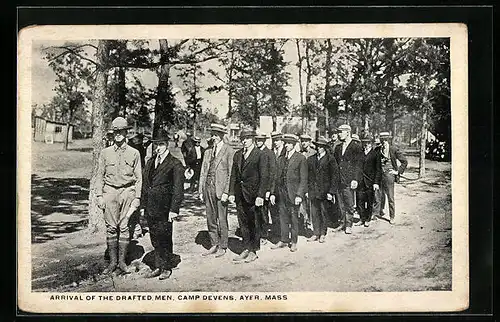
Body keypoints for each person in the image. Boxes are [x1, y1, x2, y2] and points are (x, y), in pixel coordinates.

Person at [96, 117, 142, 275]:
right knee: (110, 228)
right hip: (109, 192)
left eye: (121, 131)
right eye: (115, 131)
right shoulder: (105, 153)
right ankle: (113, 262)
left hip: (127, 193)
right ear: (112, 133)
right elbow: (99, 176)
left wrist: (137, 197)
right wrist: (99, 196)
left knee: (124, 227)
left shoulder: (134, 153)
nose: (118, 134)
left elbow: (139, 178)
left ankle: (122, 262)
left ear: (126, 133)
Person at [141, 129, 185, 280]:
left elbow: (178, 189)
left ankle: (166, 267)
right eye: (155, 145)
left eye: (160, 144)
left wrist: (174, 209)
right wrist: (143, 205)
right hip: (151, 207)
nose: (157, 148)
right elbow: (145, 185)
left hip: (165, 208)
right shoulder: (150, 162)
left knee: (165, 236)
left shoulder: (175, 164)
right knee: (154, 237)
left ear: (167, 145)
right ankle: (158, 265)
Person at [229, 128, 268, 263]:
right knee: (243, 222)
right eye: (242, 139)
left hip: (253, 195)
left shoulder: (260, 154)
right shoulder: (238, 154)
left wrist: (260, 195)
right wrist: (231, 193)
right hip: (240, 194)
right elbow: (233, 175)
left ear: (252, 139)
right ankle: (246, 247)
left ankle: (254, 250)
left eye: (247, 138)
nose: (244, 141)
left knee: (254, 223)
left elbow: (264, 177)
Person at [198, 123, 234, 258]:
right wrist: (201, 190)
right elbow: (203, 171)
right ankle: (214, 243)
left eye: (216, 135)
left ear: (221, 136)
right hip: (208, 187)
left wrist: (227, 192)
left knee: (222, 218)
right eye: (212, 135)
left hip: (221, 190)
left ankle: (223, 245)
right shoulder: (207, 151)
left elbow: (231, 173)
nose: (214, 137)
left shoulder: (229, 151)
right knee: (210, 217)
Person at [270, 134, 308, 252]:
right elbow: (275, 178)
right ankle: (284, 239)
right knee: (282, 217)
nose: (286, 145)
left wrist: (299, 195)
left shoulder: (300, 158)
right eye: (285, 143)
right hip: (282, 193)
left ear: (294, 144)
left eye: (289, 143)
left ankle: (294, 241)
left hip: (293, 194)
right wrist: (272, 193)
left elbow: (304, 179)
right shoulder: (281, 159)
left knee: (294, 218)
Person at [306, 136, 340, 242]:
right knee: (314, 213)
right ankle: (316, 233)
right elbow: (308, 176)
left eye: (321, 146)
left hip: (325, 191)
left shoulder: (330, 159)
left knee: (323, 212)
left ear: (325, 147)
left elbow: (335, 176)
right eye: (317, 146)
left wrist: (331, 192)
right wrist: (307, 190)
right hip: (313, 190)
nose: (318, 148)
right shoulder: (311, 159)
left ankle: (322, 233)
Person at [333, 124, 363, 235]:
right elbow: (335, 164)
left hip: (349, 180)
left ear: (347, 132)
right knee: (340, 203)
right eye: (338, 131)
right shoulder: (338, 147)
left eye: (341, 131)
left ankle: (349, 224)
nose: (339, 134)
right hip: (339, 179)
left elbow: (359, 165)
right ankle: (342, 222)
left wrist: (355, 179)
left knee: (349, 203)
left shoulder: (356, 147)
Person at [374, 131, 408, 225]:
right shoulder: (377, 149)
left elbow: (404, 161)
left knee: (390, 197)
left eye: (385, 140)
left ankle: (392, 216)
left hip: (389, 176)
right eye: (382, 140)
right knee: (378, 195)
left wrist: (397, 172)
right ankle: (378, 212)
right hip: (379, 175)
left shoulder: (393, 149)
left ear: (388, 140)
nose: (384, 142)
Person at [355, 133, 382, 228]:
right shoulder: (360, 153)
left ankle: (368, 219)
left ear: (371, 143)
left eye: (367, 143)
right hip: (361, 182)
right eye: (364, 143)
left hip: (370, 182)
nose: (365, 144)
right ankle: (362, 218)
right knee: (360, 201)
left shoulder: (375, 154)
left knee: (369, 201)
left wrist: (376, 182)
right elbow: (357, 167)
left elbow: (378, 170)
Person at [255, 132, 276, 245]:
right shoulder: (255, 152)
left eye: (260, 140)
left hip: (265, 188)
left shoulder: (269, 153)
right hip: (255, 188)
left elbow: (272, 173)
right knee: (256, 212)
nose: (258, 142)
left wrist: (269, 190)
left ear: (264, 141)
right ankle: (257, 233)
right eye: (257, 140)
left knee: (263, 212)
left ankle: (264, 234)